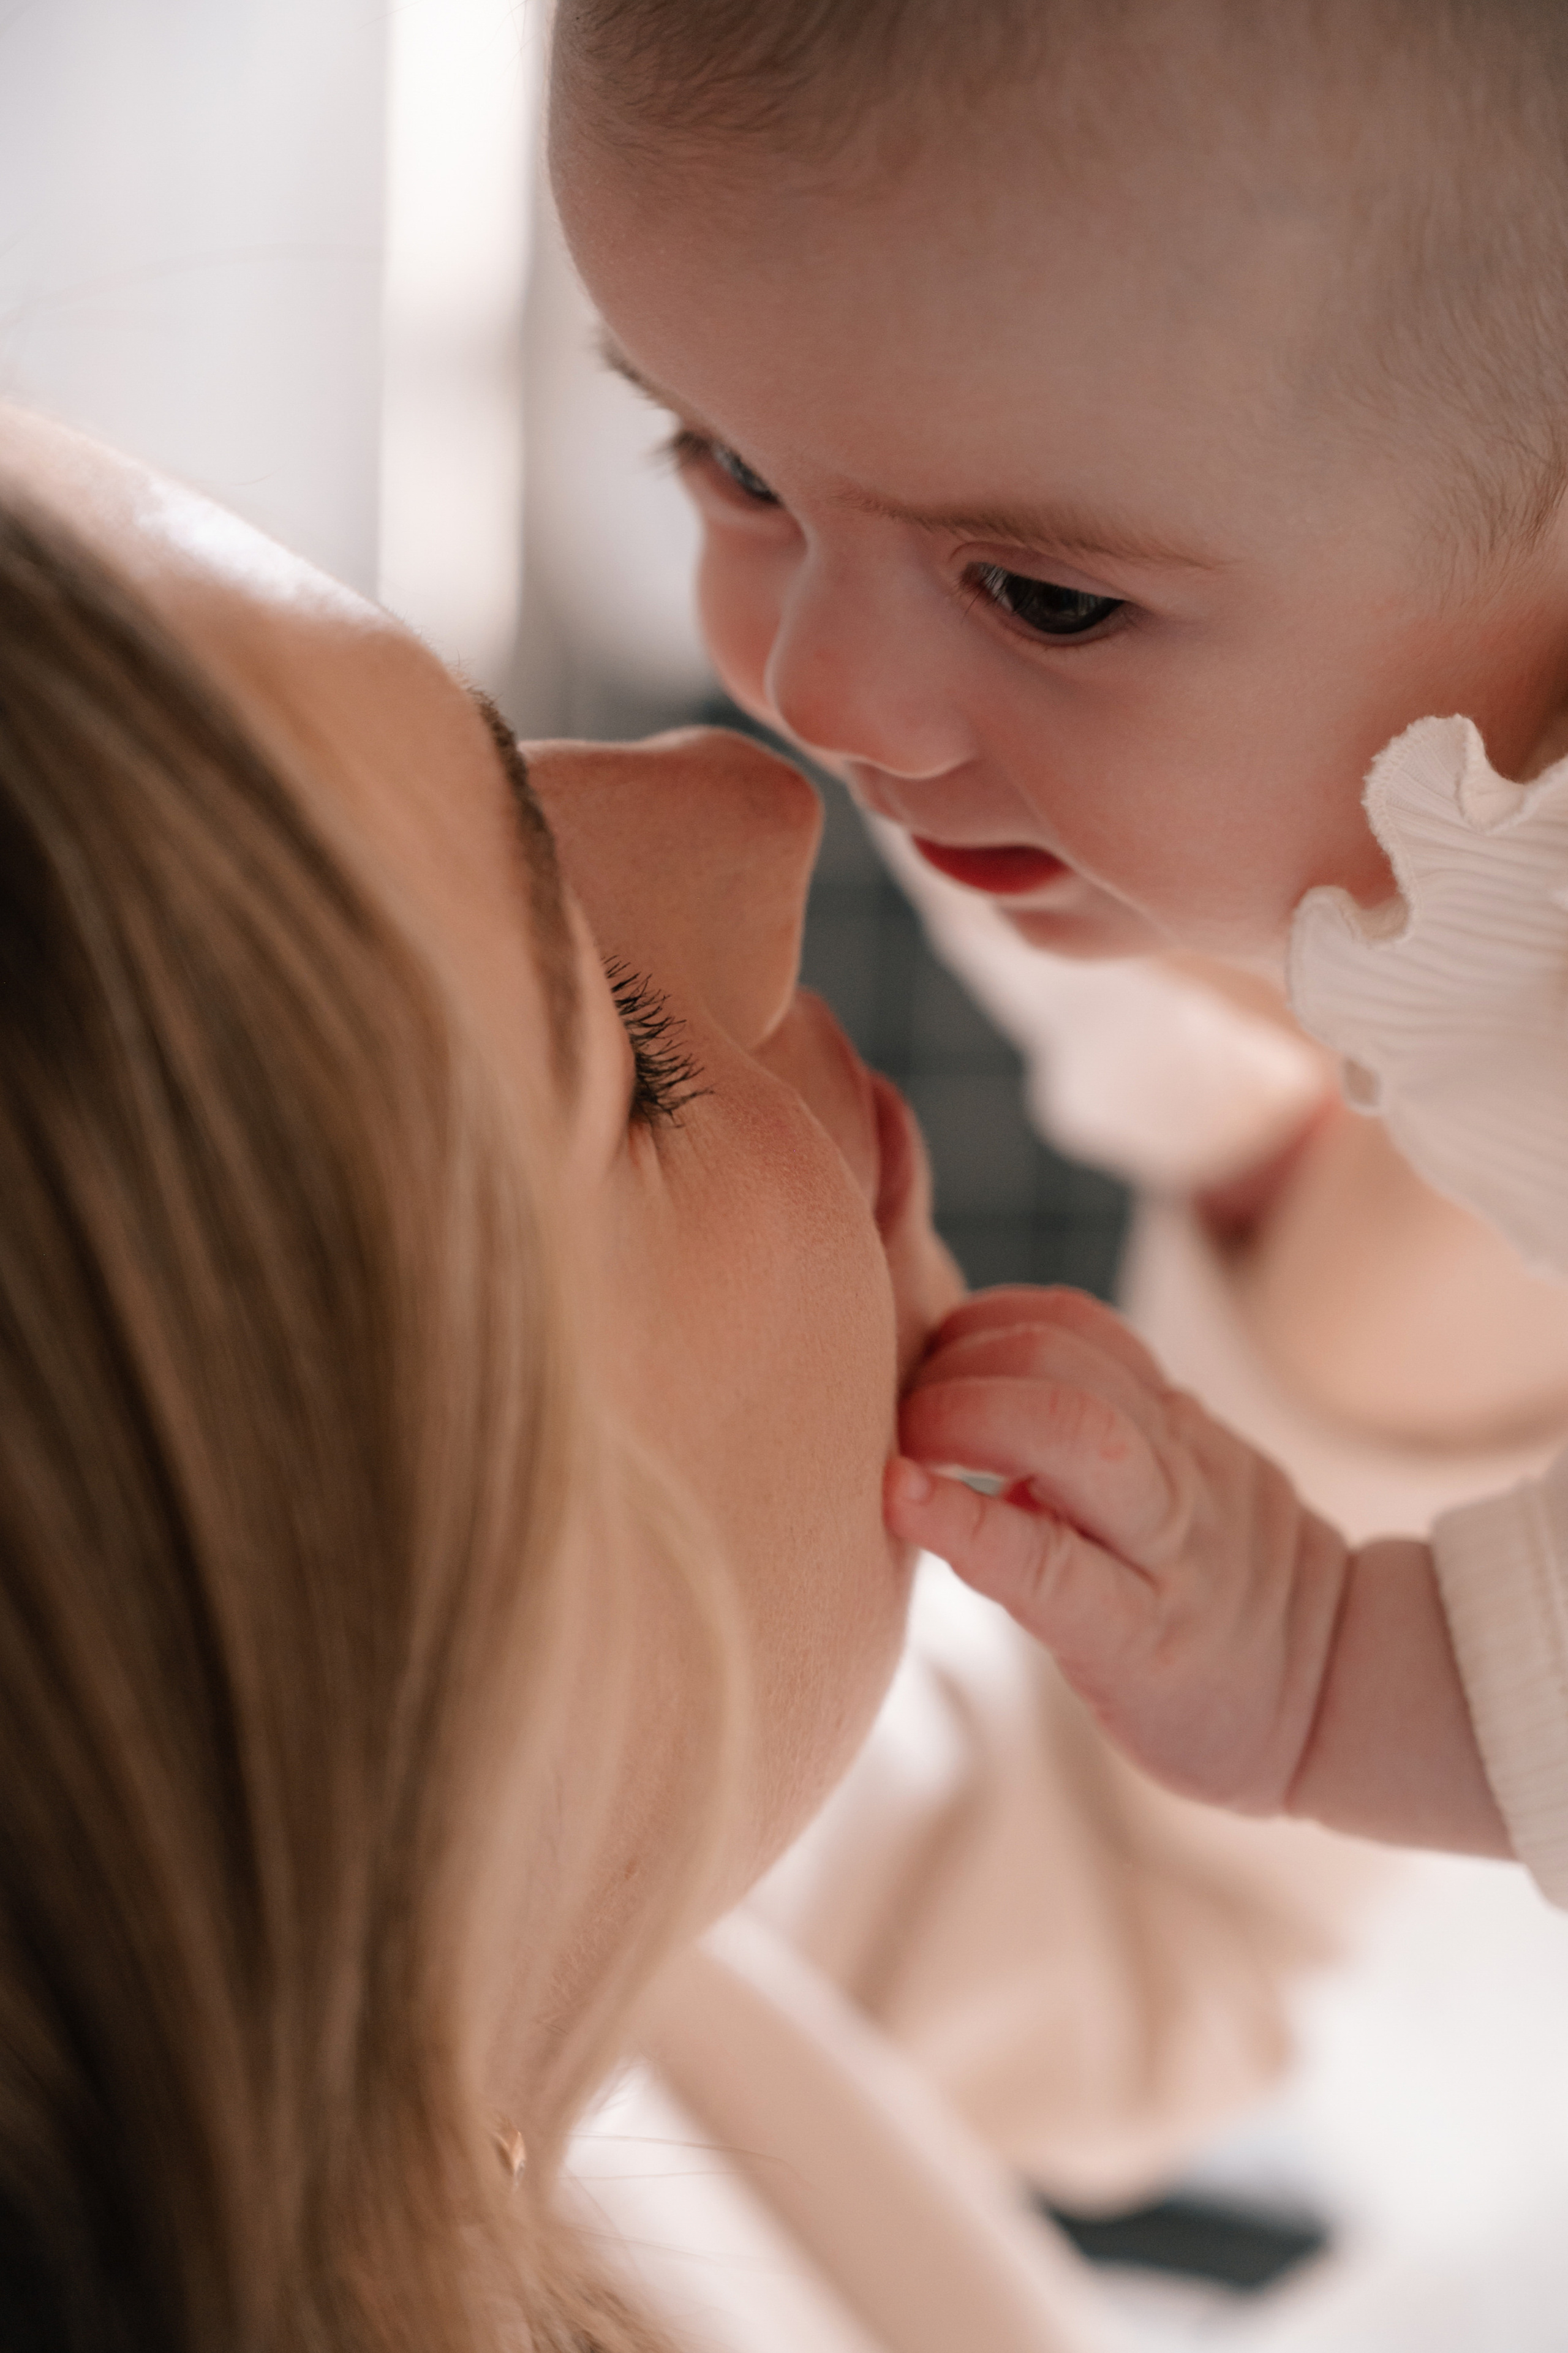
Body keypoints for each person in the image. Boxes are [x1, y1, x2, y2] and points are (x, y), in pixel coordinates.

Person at [0, 404, 1368, 2353]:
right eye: (621, 1048)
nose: (761, 796)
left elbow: (1158, 1835)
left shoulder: (495, 1947)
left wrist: (1340, 1161)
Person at [547, 0, 1568, 1908]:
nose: (815, 698)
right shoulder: (1029, 744)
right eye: (728, 461)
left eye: (1043, 595)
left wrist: (1335, 1671)